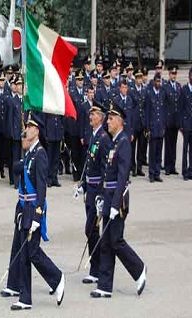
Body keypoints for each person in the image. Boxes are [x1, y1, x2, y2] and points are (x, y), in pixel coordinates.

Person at [3, 114, 65, 310]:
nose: (26, 129)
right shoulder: (29, 152)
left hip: (32, 209)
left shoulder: (40, 154)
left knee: (32, 252)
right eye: (26, 126)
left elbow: (41, 188)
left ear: (37, 130)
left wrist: (38, 215)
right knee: (25, 252)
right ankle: (25, 298)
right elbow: (17, 170)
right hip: (23, 208)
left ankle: (57, 278)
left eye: (29, 126)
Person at [90, 102, 147, 298]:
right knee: (106, 241)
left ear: (120, 121)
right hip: (108, 197)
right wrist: (100, 197)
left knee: (116, 240)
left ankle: (139, 269)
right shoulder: (114, 141)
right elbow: (107, 174)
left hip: (118, 200)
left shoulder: (123, 143)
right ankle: (105, 286)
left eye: (112, 118)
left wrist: (114, 204)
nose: (108, 121)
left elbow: (123, 176)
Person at [76, 102, 112, 284]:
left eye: (94, 114)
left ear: (102, 117)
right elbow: (89, 164)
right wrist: (82, 184)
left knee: (91, 229)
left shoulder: (104, 139)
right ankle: (95, 268)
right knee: (91, 229)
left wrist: (101, 194)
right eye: (90, 114)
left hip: (97, 190)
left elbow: (106, 169)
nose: (91, 116)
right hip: (89, 189)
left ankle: (97, 268)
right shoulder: (93, 136)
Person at [145, 73, 166, 183]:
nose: (158, 83)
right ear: (153, 82)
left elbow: (163, 111)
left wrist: (164, 125)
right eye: (157, 81)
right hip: (153, 127)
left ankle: (157, 173)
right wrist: (148, 128)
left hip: (160, 127)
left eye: (160, 81)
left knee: (159, 151)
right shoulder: (149, 93)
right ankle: (151, 174)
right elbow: (147, 112)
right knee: (152, 152)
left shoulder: (162, 92)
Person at [163, 65, 181, 175]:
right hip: (168, 120)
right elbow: (164, 105)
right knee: (168, 144)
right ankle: (167, 167)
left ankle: (173, 166)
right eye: (172, 74)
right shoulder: (165, 87)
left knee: (174, 144)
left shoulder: (178, 86)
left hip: (176, 120)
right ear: (169, 74)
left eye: (175, 74)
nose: (174, 75)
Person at [179, 67, 192, 180]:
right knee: (185, 149)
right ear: (189, 76)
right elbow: (181, 108)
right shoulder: (184, 90)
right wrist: (181, 125)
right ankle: (184, 172)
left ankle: (191, 170)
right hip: (186, 124)